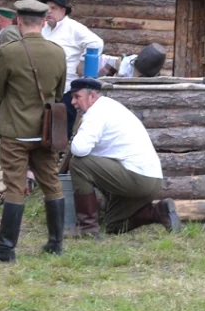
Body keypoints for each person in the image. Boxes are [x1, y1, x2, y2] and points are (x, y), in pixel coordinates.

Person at [0, 0, 67, 263]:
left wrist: (10, 111)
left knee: (15, 187)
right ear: (43, 22)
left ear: (18, 21)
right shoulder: (58, 52)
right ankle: (56, 244)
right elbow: (59, 93)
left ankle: (6, 249)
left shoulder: (9, 52)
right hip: (45, 131)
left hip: (16, 131)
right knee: (52, 184)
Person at [67, 78, 180, 236]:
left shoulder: (96, 113)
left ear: (92, 96)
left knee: (79, 163)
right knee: (113, 225)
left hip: (137, 179)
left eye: (77, 97)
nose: (73, 102)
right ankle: (157, 212)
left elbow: (78, 149)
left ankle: (87, 229)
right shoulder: (110, 106)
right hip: (152, 180)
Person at [41, 0, 103, 137]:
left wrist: (82, 61)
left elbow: (96, 43)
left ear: (63, 10)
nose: (49, 11)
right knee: (46, 127)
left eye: (53, 8)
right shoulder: (43, 28)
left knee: (62, 130)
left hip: (66, 88)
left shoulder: (73, 27)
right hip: (45, 87)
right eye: (47, 8)